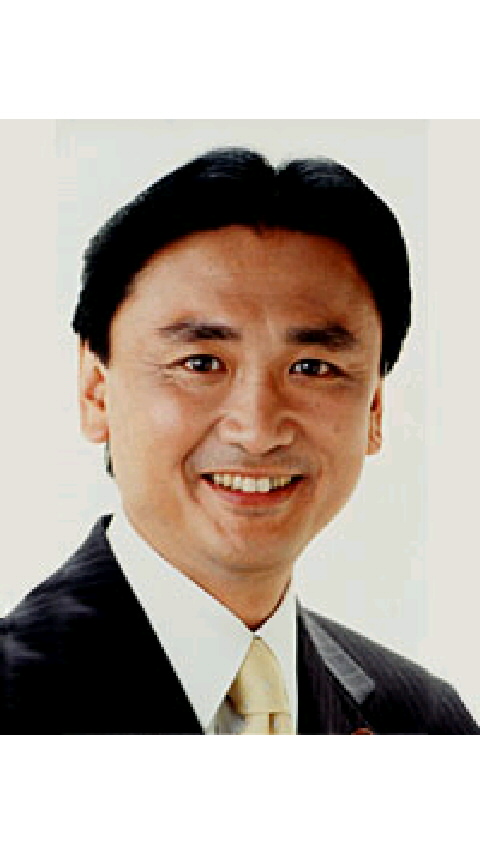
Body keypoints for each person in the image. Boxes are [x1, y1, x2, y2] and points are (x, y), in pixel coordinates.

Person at [1, 147, 478, 734]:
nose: (256, 430)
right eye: (201, 363)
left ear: (375, 408)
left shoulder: (424, 723)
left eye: (312, 368)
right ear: (95, 390)